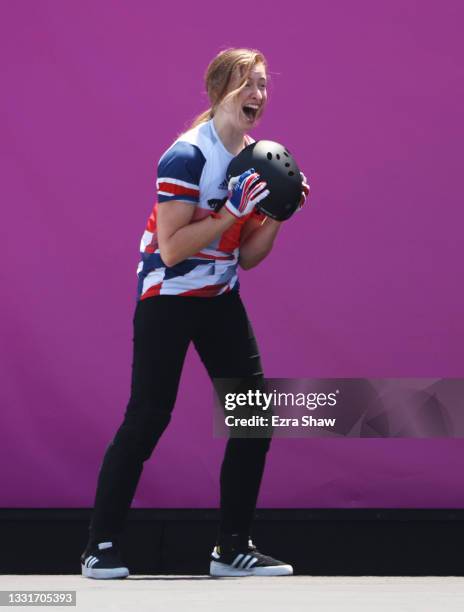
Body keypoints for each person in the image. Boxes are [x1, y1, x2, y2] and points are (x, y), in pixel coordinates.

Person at [81, 47, 310, 579]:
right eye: (245, 84)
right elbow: (172, 247)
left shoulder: (259, 157)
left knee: (253, 416)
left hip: (219, 295)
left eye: (262, 84)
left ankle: (231, 549)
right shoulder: (185, 156)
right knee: (148, 417)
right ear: (217, 91)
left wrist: (278, 215)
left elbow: (246, 258)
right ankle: (100, 546)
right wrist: (230, 211)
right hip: (167, 295)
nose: (257, 95)